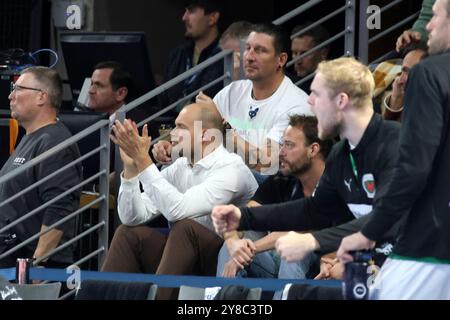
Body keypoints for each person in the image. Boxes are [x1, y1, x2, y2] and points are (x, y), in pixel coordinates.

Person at [211, 57, 400, 277]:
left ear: (341, 100)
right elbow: (314, 210)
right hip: (376, 262)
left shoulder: (395, 143)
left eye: (316, 94)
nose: (309, 102)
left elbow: (387, 217)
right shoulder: (341, 154)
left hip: (420, 261)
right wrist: (243, 217)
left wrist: (310, 240)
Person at [338, 0, 450, 300]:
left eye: (435, 17)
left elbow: (414, 168)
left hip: (432, 249)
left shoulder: (430, 72)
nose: (427, 26)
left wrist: (369, 232)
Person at [102, 102, 258, 300]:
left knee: (186, 228)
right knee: (128, 234)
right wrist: (132, 168)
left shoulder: (231, 169)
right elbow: (132, 217)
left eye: (181, 127)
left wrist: (144, 160)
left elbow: (179, 210)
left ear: (206, 135)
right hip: (184, 256)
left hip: (232, 259)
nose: (172, 133)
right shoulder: (182, 166)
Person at [217, 115, 332, 282]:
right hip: (275, 260)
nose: (281, 152)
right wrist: (234, 242)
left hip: (324, 265)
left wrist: (251, 249)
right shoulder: (282, 180)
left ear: (313, 150)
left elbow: (301, 228)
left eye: (289, 145)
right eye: (282, 144)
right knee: (233, 247)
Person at [0, 66, 82, 268]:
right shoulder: (30, 138)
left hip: (31, 263)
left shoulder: (54, 142)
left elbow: (59, 207)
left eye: (18, 88)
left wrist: (35, 267)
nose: (11, 95)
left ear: (41, 97)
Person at [160, 0, 224, 111]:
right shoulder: (177, 54)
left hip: (204, 126)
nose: (184, 17)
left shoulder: (225, 56)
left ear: (212, 17)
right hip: (173, 124)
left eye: (191, 11)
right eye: (185, 11)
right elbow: (164, 100)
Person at [382, 42, 428, 121]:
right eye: (403, 71)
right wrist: (396, 100)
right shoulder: (397, 94)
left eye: (410, 72)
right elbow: (388, 131)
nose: (401, 80)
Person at [290, 23, 330, 94]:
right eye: (295, 53)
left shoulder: (333, 86)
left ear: (323, 54)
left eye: (304, 53)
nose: (298, 61)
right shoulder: (286, 82)